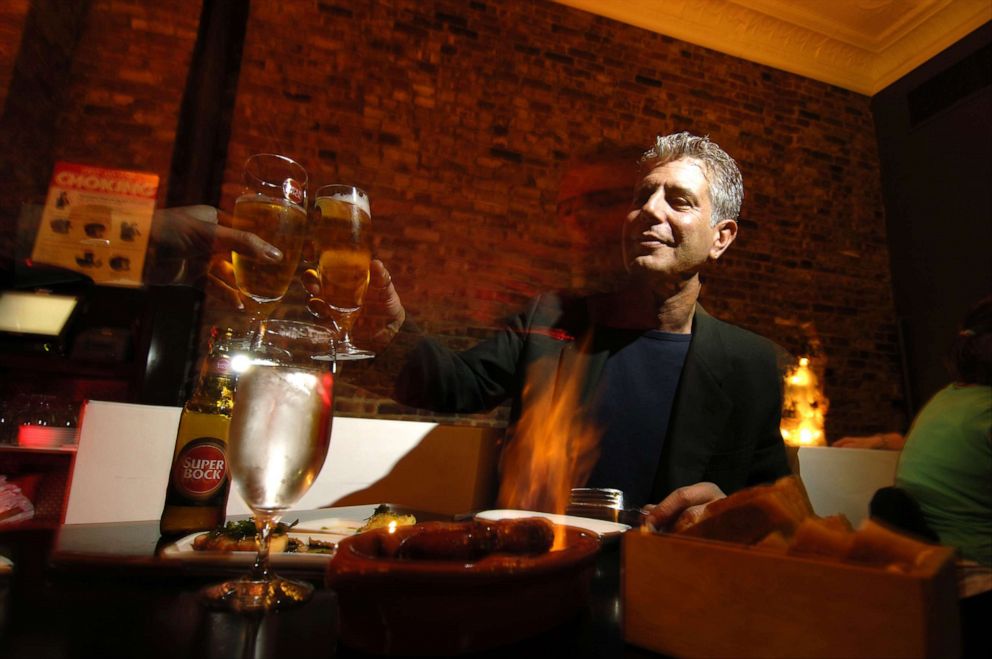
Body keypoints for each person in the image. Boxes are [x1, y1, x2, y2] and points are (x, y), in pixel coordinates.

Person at [365, 132, 792, 525]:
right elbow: (453, 384)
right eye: (642, 196)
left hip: (674, 587)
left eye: (678, 200)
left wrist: (727, 510)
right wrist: (388, 334)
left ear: (721, 238)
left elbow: (772, 504)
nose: (649, 210)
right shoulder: (552, 321)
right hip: (542, 574)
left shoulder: (748, 363)